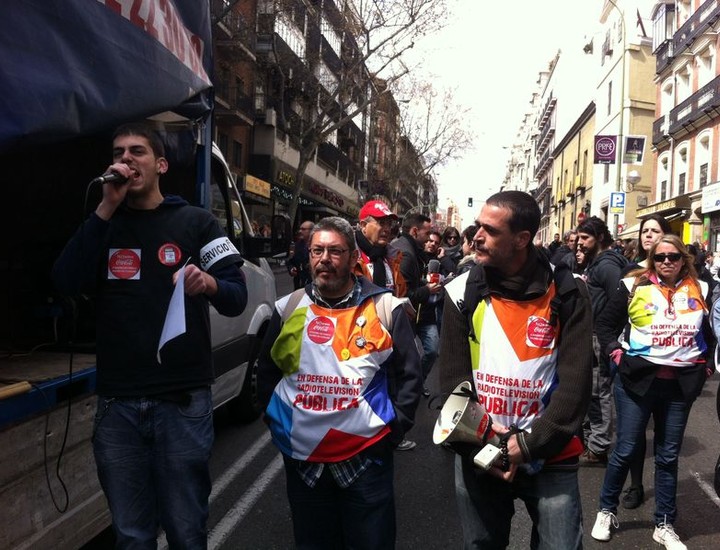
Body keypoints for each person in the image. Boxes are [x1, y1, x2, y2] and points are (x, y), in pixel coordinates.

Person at [51, 123, 248, 548]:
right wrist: (106, 206)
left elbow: (237, 296)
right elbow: (64, 282)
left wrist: (208, 283)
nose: (125, 159)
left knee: (186, 530)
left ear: (160, 165)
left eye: (136, 151)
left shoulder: (197, 222)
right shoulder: (104, 223)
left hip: (181, 401)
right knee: (131, 533)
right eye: (118, 152)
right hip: (118, 405)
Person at [437, 190, 593, 549]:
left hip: (551, 454)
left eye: (490, 230)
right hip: (480, 450)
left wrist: (527, 444)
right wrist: (482, 441)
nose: (477, 236)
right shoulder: (460, 291)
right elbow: (453, 383)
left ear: (522, 239)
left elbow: (575, 385)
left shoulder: (569, 292)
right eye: (478, 226)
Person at [257, 216, 422, 549]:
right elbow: (268, 372)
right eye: (317, 250)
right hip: (304, 464)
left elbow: (410, 374)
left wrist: (393, 431)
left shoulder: (385, 308)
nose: (324, 259)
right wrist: (278, 425)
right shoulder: (288, 308)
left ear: (353, 257)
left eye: (335, 251)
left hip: (366, 462)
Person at [591, 235, 715, 549]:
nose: (666, 262)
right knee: (626, 448)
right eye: (660, 257)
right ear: (652, 259)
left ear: (683, 258)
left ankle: (664, 524)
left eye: (673, 256)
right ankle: (606, 510)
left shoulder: (700, 288)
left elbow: (709, 332)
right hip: (637, 381)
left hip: (679, 385)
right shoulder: (633, 285)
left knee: (668, 456)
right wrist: (616, 354)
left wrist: (706, 366)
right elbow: (604, 324)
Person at [615, 214, 672, 510]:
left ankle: (665, 502)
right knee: (633, 433)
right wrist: (615, 351)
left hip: (673, 370)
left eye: (655, 230)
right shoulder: (631, 273)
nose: (648, 235)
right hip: (635, 367)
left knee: (666, 436)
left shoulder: (682, 271)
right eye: (644, 231)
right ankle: (635, 485)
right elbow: (612, 318)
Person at [576, 216, 628, 466]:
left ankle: (598, 447)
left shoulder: (607, 266)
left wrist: (605, 330)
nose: (580, 243)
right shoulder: (597, 263)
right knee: (592, 390)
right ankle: (593, 440)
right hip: (592, 334)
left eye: (585, 238)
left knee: (598, 391)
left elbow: (620, 300)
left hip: (599, 337)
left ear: (599, 237)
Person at [392, 213, 443, 412]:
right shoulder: (406, 254)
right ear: (415, 231)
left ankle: (413, 386)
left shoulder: (413, 251)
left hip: (422, 316)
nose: (429, 238)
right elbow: (404, 295)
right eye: (427, 233)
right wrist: (427, 290)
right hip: (405, 318)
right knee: (406, 362)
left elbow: (411, 284)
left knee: (430, 350)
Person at [354, 200, 406, 297]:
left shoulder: (393, 258)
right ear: (364, 226)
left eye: (389, 224)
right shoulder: (349, 257)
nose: (387, 229)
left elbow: (401, 293)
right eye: (381, 223)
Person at [287, 221, 314, 290]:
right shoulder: (297, 245)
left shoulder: (319, 245)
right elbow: (290, 261)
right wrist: (292, 269)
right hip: (299, 286)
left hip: (314, 286)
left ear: (312, 231)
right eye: (300, 229)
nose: (300, 231)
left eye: (303, 229)